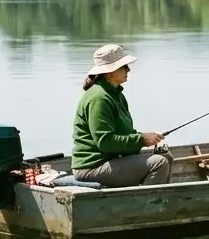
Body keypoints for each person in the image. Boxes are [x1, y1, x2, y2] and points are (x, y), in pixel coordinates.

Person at [70, 44, 170, 187]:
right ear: (110, 72)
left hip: (111, 159)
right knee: (159, 163)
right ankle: (147, 206)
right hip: (91, 167)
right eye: (124, 66)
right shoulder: (99, 98)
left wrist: (146, 139)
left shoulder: (116, 95)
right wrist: (141, 140)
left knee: (166, 156)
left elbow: (123, 133)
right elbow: (105, 142)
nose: (128, 69)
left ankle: (160, 200)